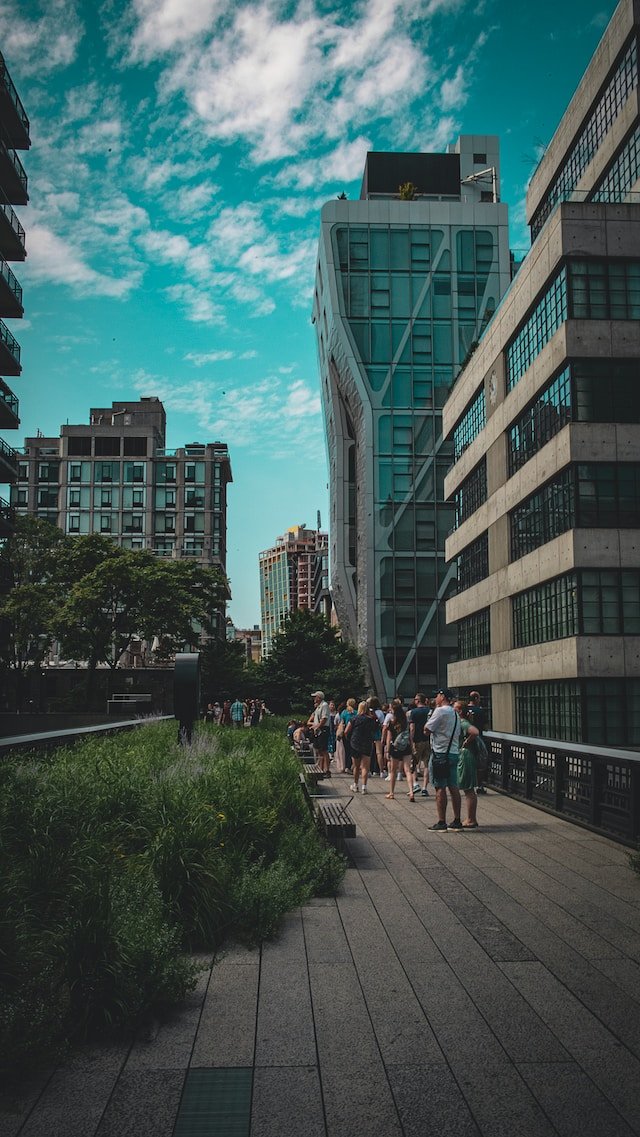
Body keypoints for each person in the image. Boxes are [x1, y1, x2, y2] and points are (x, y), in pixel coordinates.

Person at [426, 689, 462, 831]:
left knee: (440, 787)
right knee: (453, 786)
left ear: (442, 697)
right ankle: (457, 820)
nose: (436, 697)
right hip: (453, 752)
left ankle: (442, 822)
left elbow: (427, 729)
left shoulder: (440, 711)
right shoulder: (455, 713)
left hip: (440, 753)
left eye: (437, 695)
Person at [384, 702, 415, 801]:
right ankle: (411, 792)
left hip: (395, 747)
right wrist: (412, 746)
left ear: (393, 711)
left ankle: (391, 793)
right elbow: (410, 736)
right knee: (407, 770)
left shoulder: (391, 723)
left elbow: (389, 738)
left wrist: (387, 750)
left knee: (393, 771)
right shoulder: (406, 722)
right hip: (406, 746)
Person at [345, 699, 377, 794]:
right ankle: (364, 787)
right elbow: (374, 730)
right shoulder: (371, 720)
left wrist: (349, 739)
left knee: (356, 766)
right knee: (365, 767)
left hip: (355, 743)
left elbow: (346, 731)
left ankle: (355, 785)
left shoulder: (354, 718)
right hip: (367, 744)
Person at [457, 724, 484, 828]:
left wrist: (466, 741)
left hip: (466, 756)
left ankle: (471, 819)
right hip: (467, 755)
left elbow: (475, 732)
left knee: (468, 789)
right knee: (468, 789)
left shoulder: (463, 722)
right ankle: (470, 818)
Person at [409, 692, 431, 797]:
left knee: (413, 762)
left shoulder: (413, 712)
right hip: (428, 740)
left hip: (417, 740)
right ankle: (425, 788)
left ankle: (415, 783)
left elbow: (412, 728)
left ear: (418, 701)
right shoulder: (430, 711)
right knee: (426, 764)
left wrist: (411, 740)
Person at [467, 691, 488, 793]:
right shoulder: (480, 711)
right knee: (480, 764)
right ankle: (479, 785)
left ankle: (468, 783)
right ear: (476, 698)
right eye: (479, 698)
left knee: (467, 762)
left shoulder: (464, 709)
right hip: (478, 739)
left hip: (465, 739)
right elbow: (486, 727)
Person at [308, 690, 331, 775]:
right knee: (319, 750)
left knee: (324, 750)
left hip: (323, 729)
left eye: (315, 697)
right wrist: (315, 727)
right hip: (318, 730)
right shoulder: (318, 707)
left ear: (319, 697)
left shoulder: (324, 705)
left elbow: (324, 718)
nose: (314, 698)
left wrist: (317, 727)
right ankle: (320, 768)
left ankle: (327, 770)